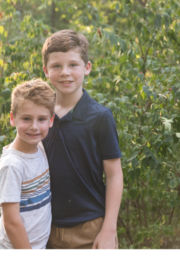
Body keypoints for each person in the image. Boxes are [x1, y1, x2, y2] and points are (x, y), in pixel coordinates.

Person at [42, 31, 122, 249]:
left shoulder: (100, 117)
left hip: (91, 230)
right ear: (46, 71)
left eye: (73, 65)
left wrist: (108, 229)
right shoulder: (40, 117)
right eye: (56, 66)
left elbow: (114, 175)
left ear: (87, 67)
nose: (65, 72)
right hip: (44, 229)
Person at [0, 80, 56, 250]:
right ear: (12, 118)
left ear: (51, 120)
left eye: (41, 119)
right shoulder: (12, 165)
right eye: (26, 119)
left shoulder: (40, 147)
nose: (34, 127)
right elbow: (12, 223)